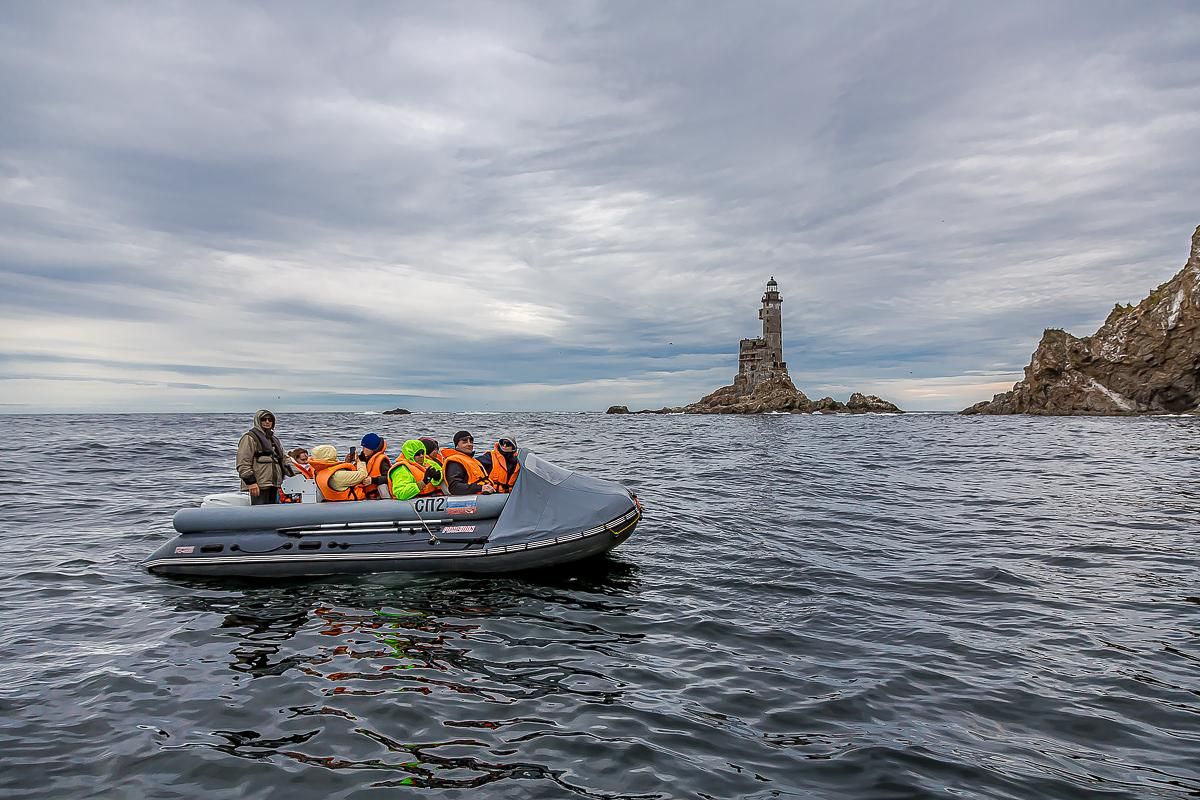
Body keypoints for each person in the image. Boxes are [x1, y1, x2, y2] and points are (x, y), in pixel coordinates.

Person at [236, 409, 294, 505]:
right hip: (259, 486)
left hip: (275, 485)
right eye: (264, 419)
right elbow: (243, 463)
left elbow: (285, 459)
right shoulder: (249, 438)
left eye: (270, 419)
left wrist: (299, 474)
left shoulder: (274, 440)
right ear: (258, 421)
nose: (267, 422)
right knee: (259, 513)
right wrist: (251, 483)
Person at [308, 444, 373, 501]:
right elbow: (363, 474)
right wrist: (359, 461)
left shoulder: (318, 471)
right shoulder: (337, 475)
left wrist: (346, 462)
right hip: (350, 503)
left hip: (334, 501)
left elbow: (339, 478)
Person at [442, 430, 495, 496]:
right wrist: (480, 488)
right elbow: (454, 487)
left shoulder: (473, 460)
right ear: (456, 445)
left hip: (485, 493)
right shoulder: (454, 462)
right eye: (464, 442)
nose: (469, 444)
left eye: (471, 441)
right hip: (471, 498)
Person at [356, 433, 392, 500]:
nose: (363, 450)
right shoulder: (362, 459)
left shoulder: (382, 460)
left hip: (380, 495)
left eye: (365, 447)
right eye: (362, 447)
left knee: (382, 486)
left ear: (372, 448)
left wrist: (372, 480)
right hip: (367, 495)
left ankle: (388, 506)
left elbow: (390, 478)